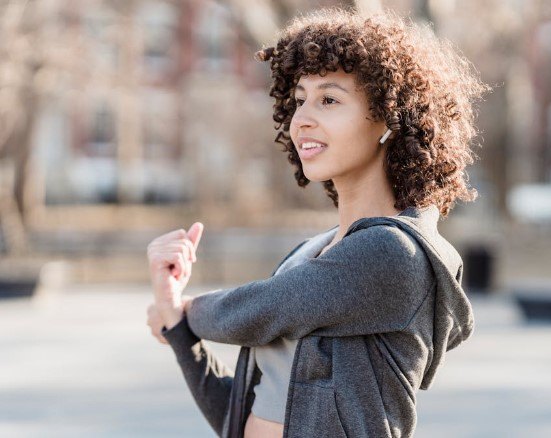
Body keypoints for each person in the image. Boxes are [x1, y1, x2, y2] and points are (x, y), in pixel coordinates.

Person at [146, 7, 487, 438]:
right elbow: (244, 415)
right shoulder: (310, 255)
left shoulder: (392, 254)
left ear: (387, 117)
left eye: (329, 99)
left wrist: (183, 312)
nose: (302, 118)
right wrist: (178, 328)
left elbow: (264, 308)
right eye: (299, 99)